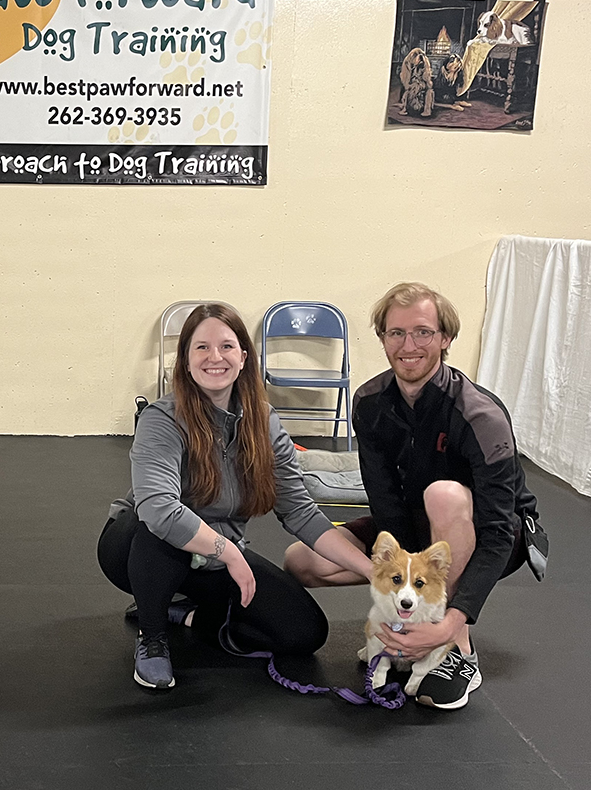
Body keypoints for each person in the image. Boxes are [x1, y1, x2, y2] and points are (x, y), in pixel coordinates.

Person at [284, 282, 540, 710]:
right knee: (302, 560)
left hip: (491, 532)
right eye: (396, 333)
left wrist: (450, 620)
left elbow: (498, 530)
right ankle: (414, 624)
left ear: (445, 338)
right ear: (383, 338)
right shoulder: (369, 403)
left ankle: (455, 648)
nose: (409, 345)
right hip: (412, 532)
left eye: (423, 332)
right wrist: (397, 592)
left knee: (442, 495)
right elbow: (385, 505)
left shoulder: (480, 414)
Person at [97, 303, 373, 690]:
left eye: (227, 346)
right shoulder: (163, 419)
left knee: (303, 633)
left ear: (244, 357)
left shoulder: (265, 422)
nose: (215, 357)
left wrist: (373, 571)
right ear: (186, 360)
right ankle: (153, 635)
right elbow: (159, 510)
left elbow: (300, 512)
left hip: (214, 551)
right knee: (161, 527)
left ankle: (184, 613)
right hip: (136, 549)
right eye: (201, 348)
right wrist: (229, 553)